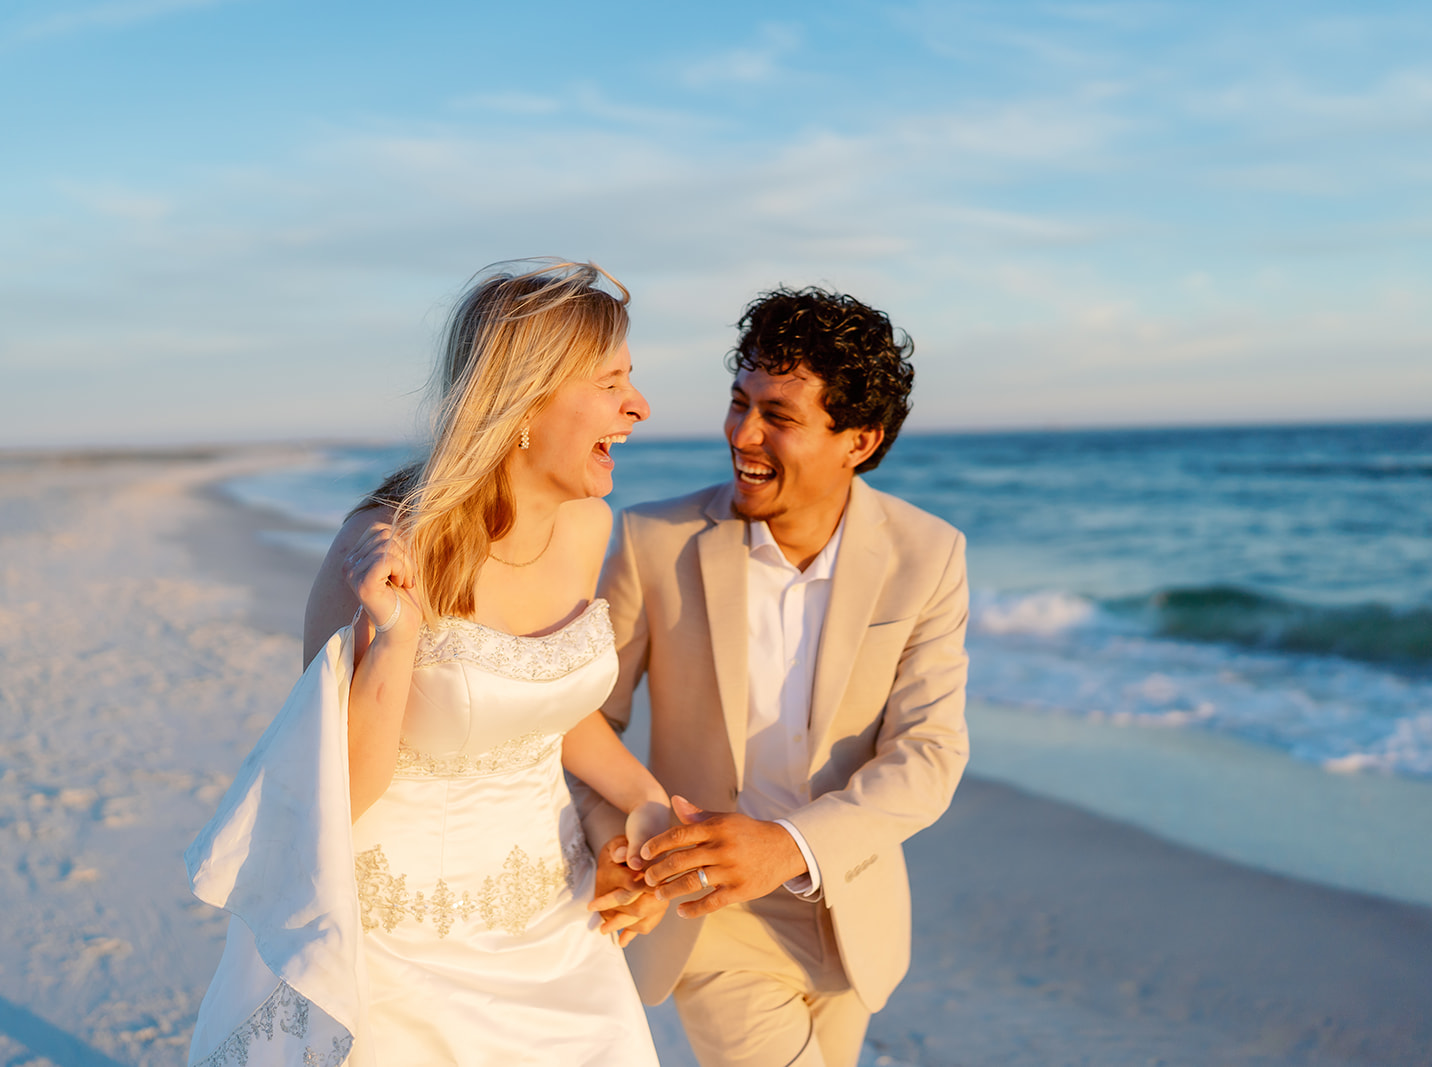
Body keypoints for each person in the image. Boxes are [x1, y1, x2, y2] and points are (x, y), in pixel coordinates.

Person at [187, 261, 668, 1066]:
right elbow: (338, 789)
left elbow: (548, 708)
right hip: (402, 954)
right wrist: (397, 634)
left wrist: (643, 801)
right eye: (612, 380)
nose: (639, 405)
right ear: (525, 397)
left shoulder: (588, 524)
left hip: (558, 925)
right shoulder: (379, 549)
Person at [581, 287, 970, 1067]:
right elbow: (587, 717)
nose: (743, 434)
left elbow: (928, 753)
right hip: (709, 914)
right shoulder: (655, 539)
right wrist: (618, 831)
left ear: (859, 438)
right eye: (739, 402)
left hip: (850, 914)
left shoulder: (929, 555)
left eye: (779, 416)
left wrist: (788, 846)